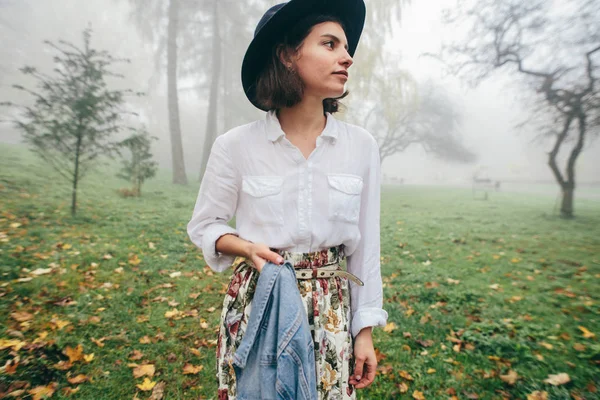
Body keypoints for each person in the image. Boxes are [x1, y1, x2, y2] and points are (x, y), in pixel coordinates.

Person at [186, 0, 389, 398]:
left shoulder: (361, 147)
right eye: (329, 44)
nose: (347, 58)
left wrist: (362, 331)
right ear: (287, 55)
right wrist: (245, 247)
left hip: (331, 310)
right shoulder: (236, 146)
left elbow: (366, 248)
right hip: (260, 304)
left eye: (346, 48)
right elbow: (205, 226)